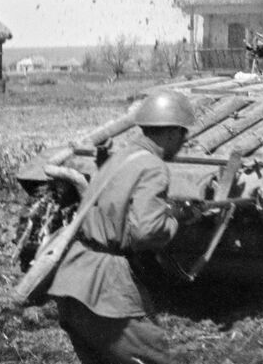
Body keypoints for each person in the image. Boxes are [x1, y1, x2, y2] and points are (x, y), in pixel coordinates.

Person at [48, 90, 201, 364]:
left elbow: (118, 211)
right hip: (105, 290)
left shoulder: (120, 158)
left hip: (72, 281)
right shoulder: (154, 167)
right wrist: (175, 220)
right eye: (183, 134)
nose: (183, 141)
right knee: (157, 357)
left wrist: (167, 210)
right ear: (171, 133)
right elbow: (145, 231)